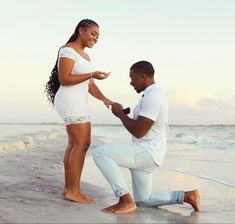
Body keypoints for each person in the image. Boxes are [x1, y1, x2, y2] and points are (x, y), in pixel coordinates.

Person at [93, 61, 200, 214]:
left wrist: (121, 115)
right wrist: (124, 114)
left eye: (132, 78)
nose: (131, 82)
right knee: (144, 200)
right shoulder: (149, 95)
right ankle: (188, 196)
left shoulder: (154, 96)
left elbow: (138, 131)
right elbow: (140, 126)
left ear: (142, 76)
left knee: (100, 153)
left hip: (146, 152)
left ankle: (124, 199)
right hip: (150, 153)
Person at [45, 19, 113, 204]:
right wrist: (92, 74)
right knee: (82, 144)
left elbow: (89, 85)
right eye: (93, 33)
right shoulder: (68, 50)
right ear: (81, 30)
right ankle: (74, 191)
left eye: (98, 36)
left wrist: (105, 99)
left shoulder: (85, 56)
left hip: (77, 100)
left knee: (74, 144)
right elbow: (65, 79)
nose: (96, 38)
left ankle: (69, 188)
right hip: (69, 100)